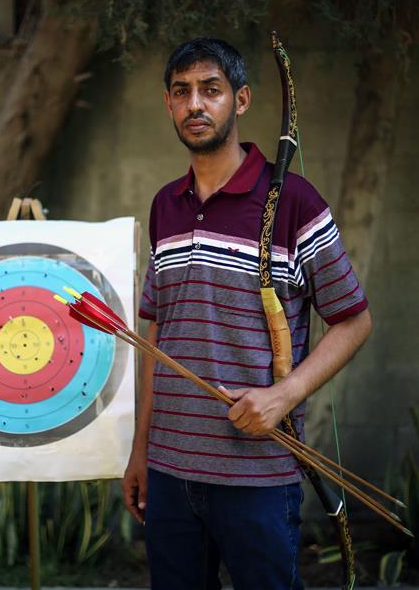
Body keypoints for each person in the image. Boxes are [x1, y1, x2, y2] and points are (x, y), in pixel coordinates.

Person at [121, 37, 373, 590]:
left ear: (240, 100)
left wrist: (283, 396)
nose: (195, 104)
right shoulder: (166, 204)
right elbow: (156, 333)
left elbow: (354, 320)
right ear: (168, 103)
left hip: (258, 473)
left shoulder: (298, 203)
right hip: (168, 472)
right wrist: (141, 448)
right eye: (182, 92)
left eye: (211, 90)